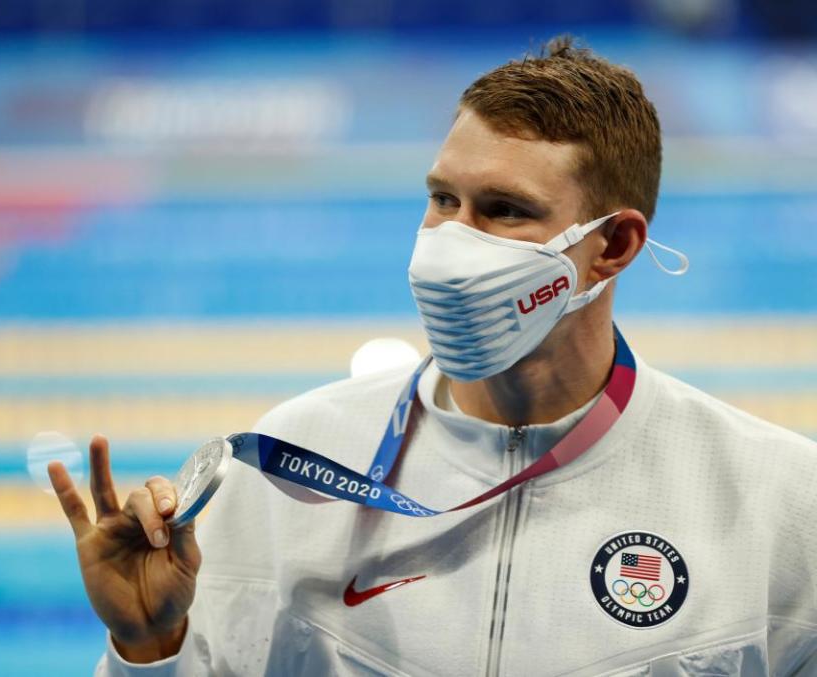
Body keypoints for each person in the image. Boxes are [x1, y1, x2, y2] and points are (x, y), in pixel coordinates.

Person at [48, 36, 817, 676]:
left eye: (504, 210)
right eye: (444, 200)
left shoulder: (777, 505)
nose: (451, 242)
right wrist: (149, 648)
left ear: (612, 246)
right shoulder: (286, 473)